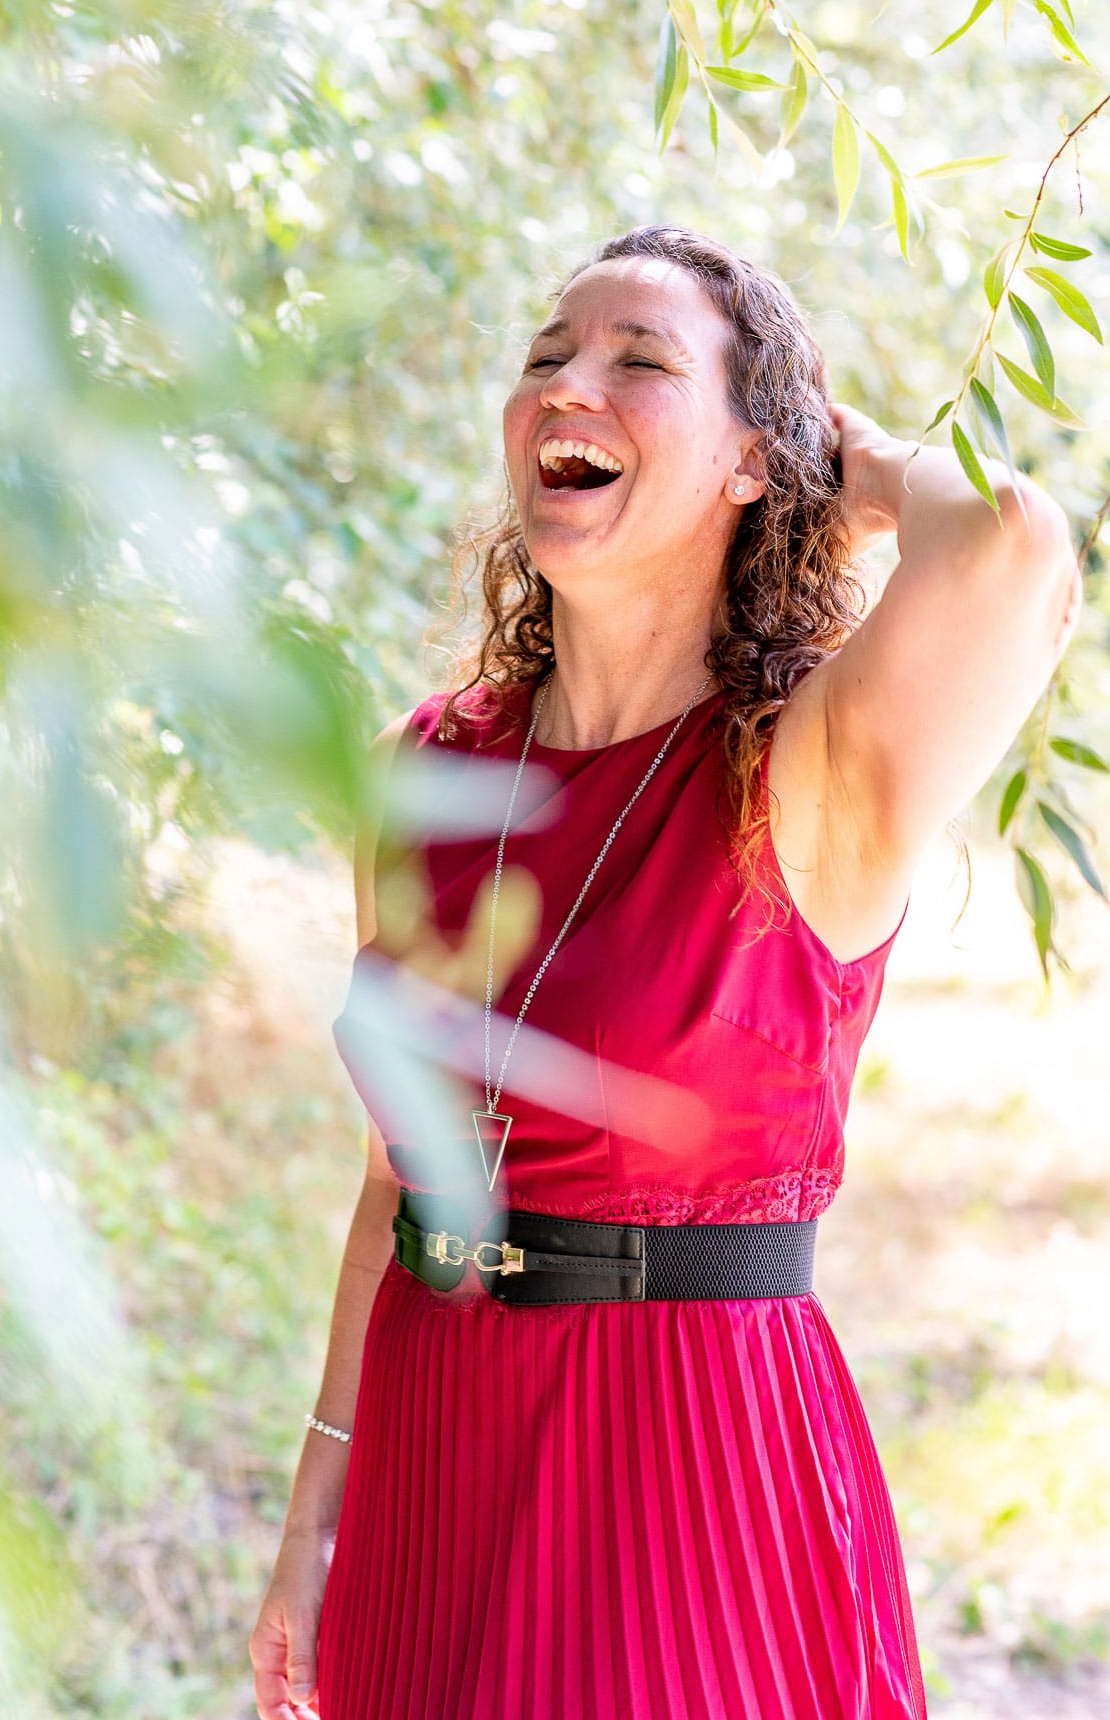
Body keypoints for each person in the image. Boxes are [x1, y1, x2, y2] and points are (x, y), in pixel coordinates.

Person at [249, 225, 1083, 1719]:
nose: (572, 385)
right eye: (545, 358)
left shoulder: (807, 770)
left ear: (752, 462)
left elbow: (1012, 544)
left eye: (641, 364)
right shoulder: (424, 769)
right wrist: (320, 1506)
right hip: (434, 1447)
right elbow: (397, 1175)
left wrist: (859, 460)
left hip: (685, 1465)